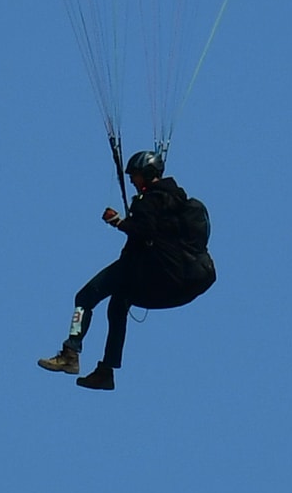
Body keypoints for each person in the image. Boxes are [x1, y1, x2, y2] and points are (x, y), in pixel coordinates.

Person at [38, 149, 216, 390]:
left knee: (84, 297)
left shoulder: (150, 199)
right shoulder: (175, 200)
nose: (132, 180)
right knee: (118, 305)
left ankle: (70, 354)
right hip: (170, 278)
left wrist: (118, 222)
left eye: (135, 175)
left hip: (140, 266)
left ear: (147, 174)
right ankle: (105, 372)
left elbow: (145, 229)